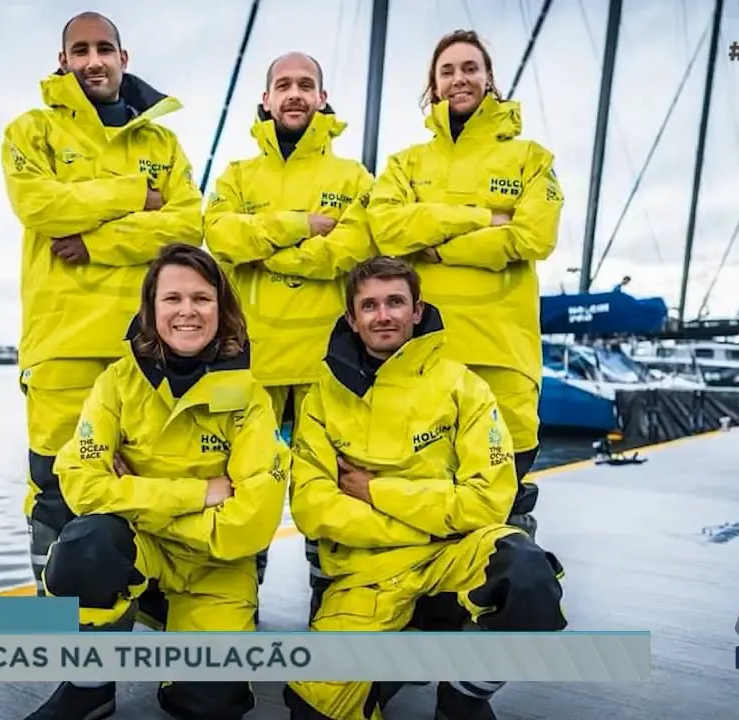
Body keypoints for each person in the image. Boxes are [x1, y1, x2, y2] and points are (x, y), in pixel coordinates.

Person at [282, 257, 567, 720]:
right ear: (352, 320)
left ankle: (463, 696)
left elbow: (489, 500)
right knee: (314, 711)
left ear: (417, 310)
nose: (384, 315)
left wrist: (376, 491)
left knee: (529, 578)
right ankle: (398, 657)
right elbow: (313, 509)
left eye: (396, 302)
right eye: (369, 305)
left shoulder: (464, 387)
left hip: (453, 562)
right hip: (366, 579)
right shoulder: (320, 399)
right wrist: (434, 518)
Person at [26, 244, 290, 720]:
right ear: (150, 309)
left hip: (215, 569)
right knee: (87, 547)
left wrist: (134, 494)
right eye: (172, 299)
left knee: (211, 704)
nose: (187, 311)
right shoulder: (116, 383)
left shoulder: (251, 398)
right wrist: (199, 494)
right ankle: (90, 685)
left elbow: (250, 525)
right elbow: (78, 482)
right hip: (142, 553)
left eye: (202, 299)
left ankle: (183, 640)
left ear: (222, 309)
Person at [0, 11, 203, 614]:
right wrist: (135, 196)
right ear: (63, 60)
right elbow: (40, 207)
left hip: (146, 345)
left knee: (150, 474)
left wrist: (94, 242)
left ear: (124, 56)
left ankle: (145, 595)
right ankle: (58, 615)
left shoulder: (162, 141)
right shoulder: (30, 131)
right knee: (58, 487)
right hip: (62, 343)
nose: (93, 60)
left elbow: (188, 223)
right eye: (80, 50)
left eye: (104, 48)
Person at [366, 28, 565, 533]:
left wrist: (433, 244)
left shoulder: (532, 159)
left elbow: (533, 236)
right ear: (433, 85)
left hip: (503, 356)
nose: (460, 79)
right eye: (448, 70)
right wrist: (486, 218)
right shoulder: (405, 164)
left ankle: (510, 599)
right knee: (431, 495)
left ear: (489, 79)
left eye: (470, 68)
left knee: (508, 506)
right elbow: (387, 227)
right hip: (428, 355)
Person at [204, 51, 375, 608]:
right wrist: (300, 228)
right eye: (284, 85)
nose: (295, 93)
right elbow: (222, 238)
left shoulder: (352, 178)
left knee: (330, 486)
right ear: (266, 98)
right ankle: (233, 605)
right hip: (246, 360)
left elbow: (355, 247)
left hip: (325, 362)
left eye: (306, 85)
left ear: (322, 97)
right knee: (239, 488)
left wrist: (269, 252)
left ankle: (335, 605)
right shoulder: (235, 176)